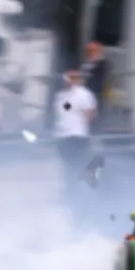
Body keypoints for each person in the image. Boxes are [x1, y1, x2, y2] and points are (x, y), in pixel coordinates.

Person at [53, 68, 98, 205]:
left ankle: (78, 193)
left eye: (73, 78)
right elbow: (64, 110)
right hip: (63, 135)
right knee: (67, 166)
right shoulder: (62, 96)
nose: (69, 81)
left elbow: (90, 113)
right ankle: (70, 191)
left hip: (77, 135)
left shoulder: (83, 95)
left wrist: (79, 122)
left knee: (76, 164)